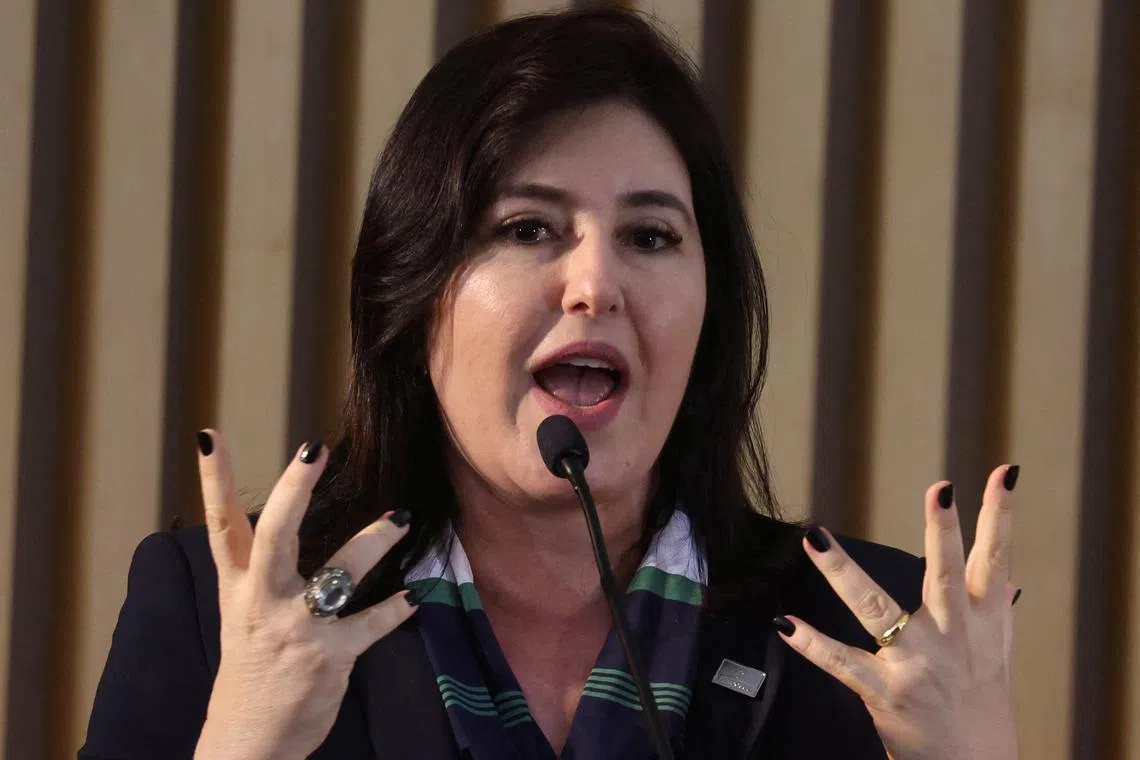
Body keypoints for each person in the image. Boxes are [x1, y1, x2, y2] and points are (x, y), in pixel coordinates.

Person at [79, 8, 1020, 760]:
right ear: (416, 292)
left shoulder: (884, 645)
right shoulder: (221, 615)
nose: (596, 285)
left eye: (650, 236)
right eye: (528, 229)